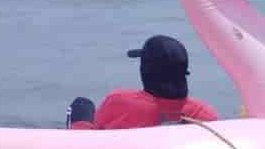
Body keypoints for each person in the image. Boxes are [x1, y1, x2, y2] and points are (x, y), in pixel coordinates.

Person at [67, 35, 219, 129]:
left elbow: (93, 140)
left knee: (81, 105)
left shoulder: (118, 102)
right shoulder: (203, 114)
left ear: (144, 71)